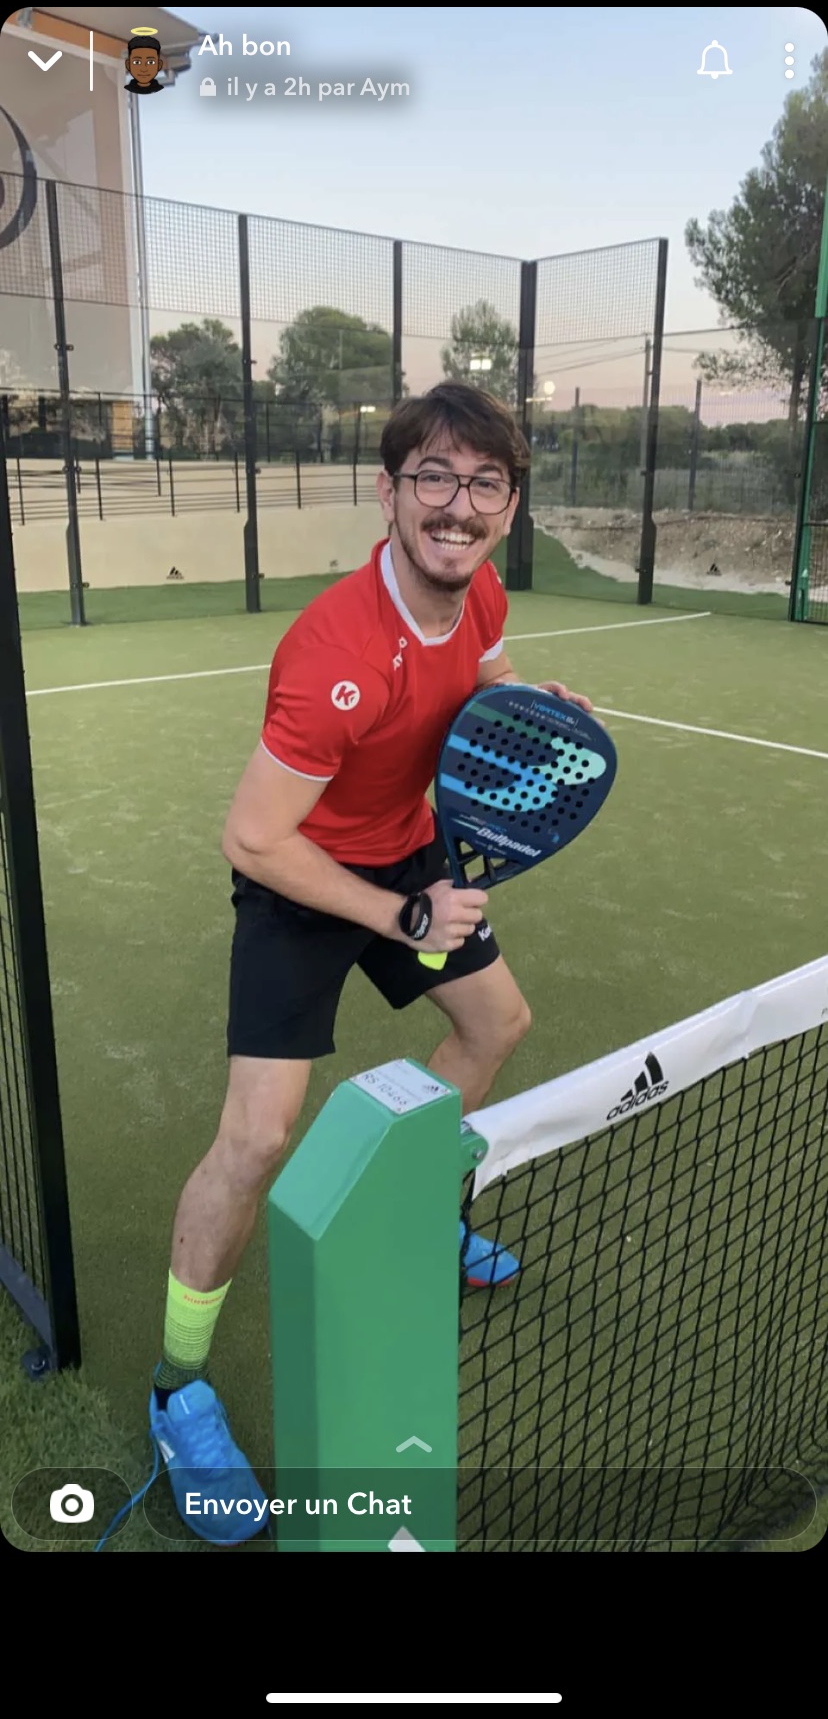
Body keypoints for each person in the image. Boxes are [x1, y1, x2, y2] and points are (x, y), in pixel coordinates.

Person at [148, 382, 594, 1542]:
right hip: (301, 879)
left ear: (509, 504)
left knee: (495, 1024)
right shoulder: (333, 650)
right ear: (390, 492)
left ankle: (415, 1214)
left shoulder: (480, 588)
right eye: (433, 477)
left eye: (484, 483)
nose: (458, 505)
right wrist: (402, 918)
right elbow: (255, 837)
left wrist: (528, 704)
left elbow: (483, 679)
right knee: (257, 1137)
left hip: (412, 855)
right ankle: (177, 1391)